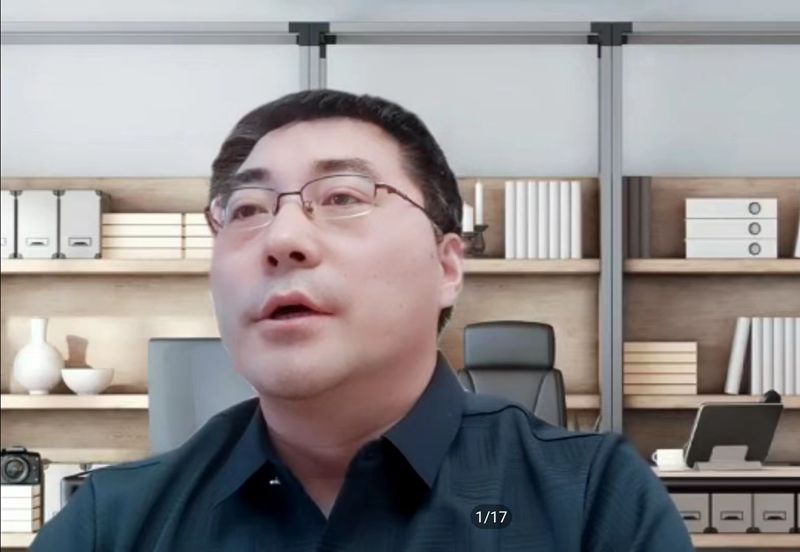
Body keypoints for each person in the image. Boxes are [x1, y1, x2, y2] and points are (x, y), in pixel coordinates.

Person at [31, 89, 693, 551]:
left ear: (447, 266)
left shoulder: (591, 500)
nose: (281, 237)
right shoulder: (113, 523)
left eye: (343, 196)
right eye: (247, 209)